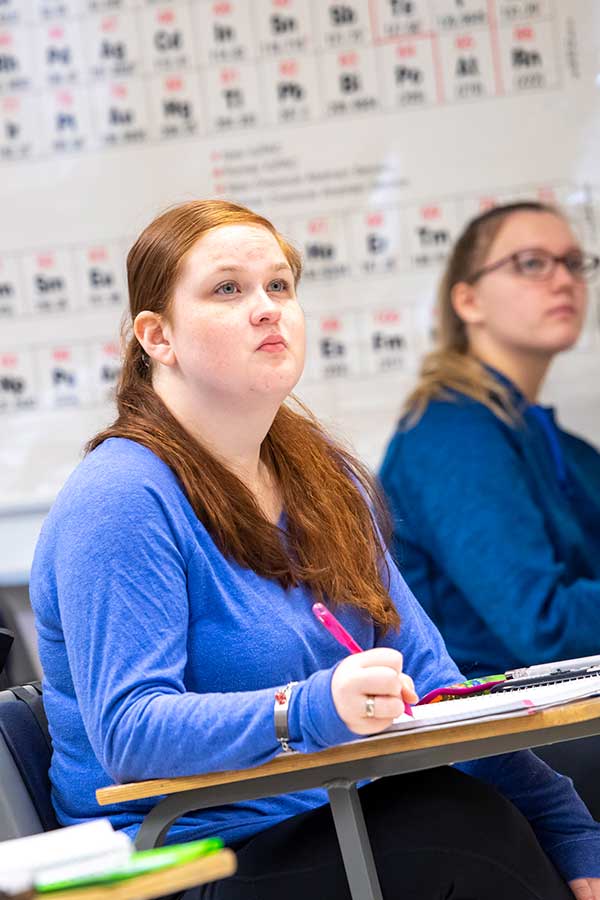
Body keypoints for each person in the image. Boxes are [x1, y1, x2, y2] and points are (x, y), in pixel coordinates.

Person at [30, 200, 600, 900]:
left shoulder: (323, 477)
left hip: (326, 816)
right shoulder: (120, 496)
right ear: (158, 336)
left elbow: (440, 685)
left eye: (280, 286)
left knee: (501, 815)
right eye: (228, 289)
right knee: (455, 832)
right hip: (179, 858)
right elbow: (130, 731)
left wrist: (568, 821)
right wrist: (304, 708)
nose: (268, 308)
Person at [379, 199, 600, 818]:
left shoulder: (556, 444)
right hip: (496, 748)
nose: (562, 279)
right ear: (468, 301)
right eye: (531, 263)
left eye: (573, 263)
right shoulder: (452, 435)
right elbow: (542, 626)